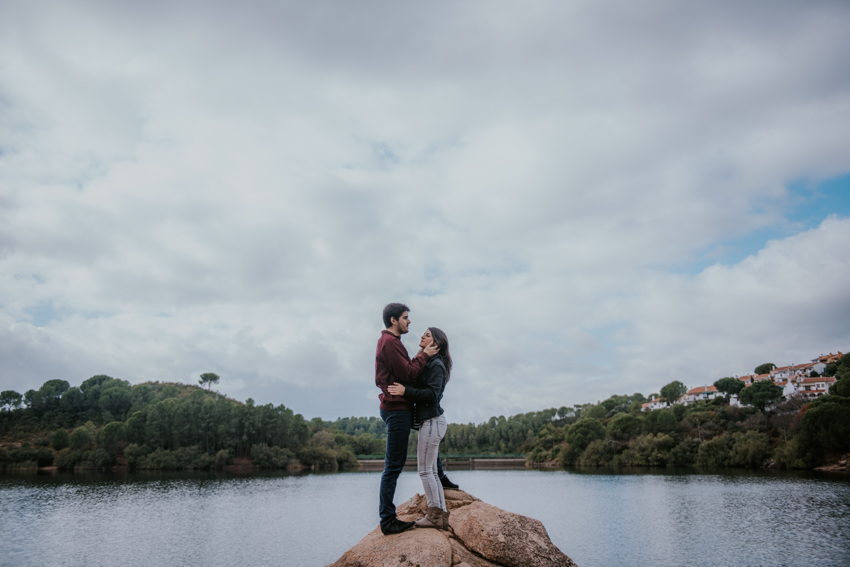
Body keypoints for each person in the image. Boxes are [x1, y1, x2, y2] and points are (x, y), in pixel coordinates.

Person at [375, 303, 439, 535]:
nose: (409, 321)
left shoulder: (393, 343)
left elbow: (404, 371)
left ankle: (441, 476)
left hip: (397, 408)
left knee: (429, 438)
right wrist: (424, 355)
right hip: (397, 410)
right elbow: (409, 374)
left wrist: (420, 356)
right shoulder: (390, 343)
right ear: (393, 320)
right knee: (393, 467)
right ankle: (388, 521)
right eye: (405, 318)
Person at [387, 327, 452, 530]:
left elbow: (432, 395)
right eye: (423, 334)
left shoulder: (437, 365)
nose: (422, 336)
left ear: (437, 344)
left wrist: (405, 391)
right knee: (431, 471)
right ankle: (441, 516)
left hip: (432, 421)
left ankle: (434, 516)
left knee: (425, 470)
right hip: (431, 422)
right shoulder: (430, 362)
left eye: (427, 335)